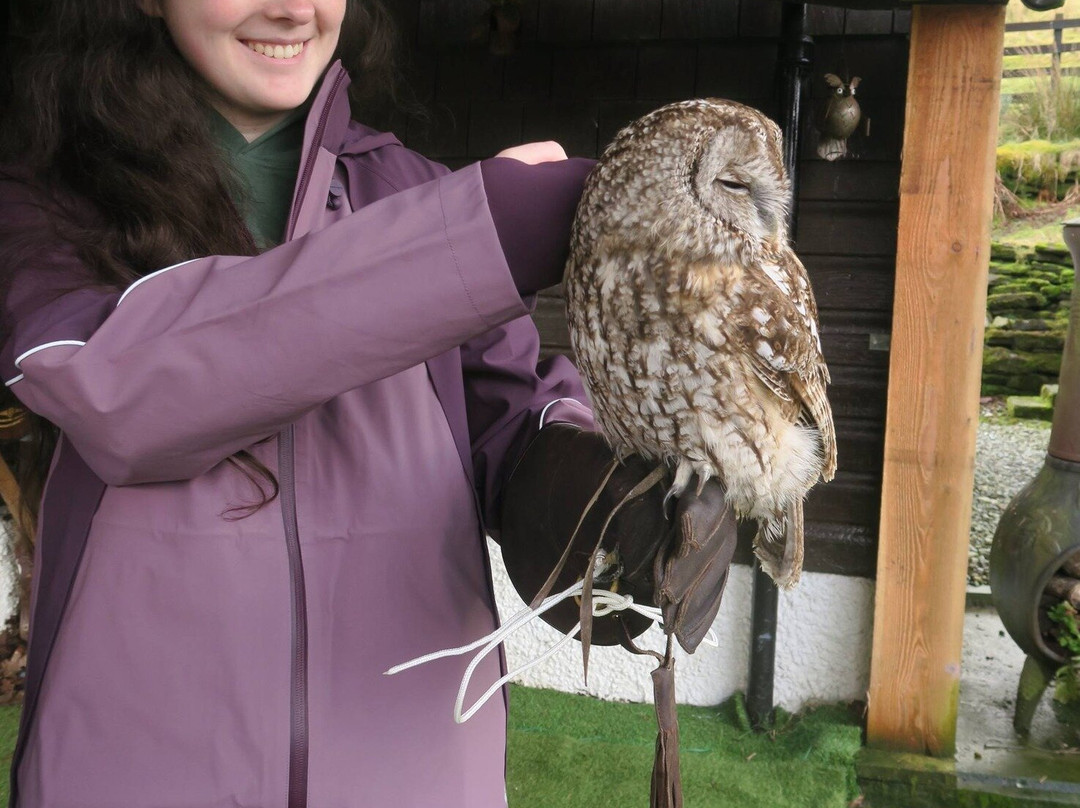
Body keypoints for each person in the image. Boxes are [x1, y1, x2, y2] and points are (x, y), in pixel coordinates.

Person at [0, 2, 737, 806]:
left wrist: (597, 496)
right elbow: (114, 389)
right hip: (134, 769)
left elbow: (504, 418)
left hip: (416, 769)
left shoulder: (412, 191)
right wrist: (469, 241)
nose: (291, 8)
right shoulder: (50, 200)